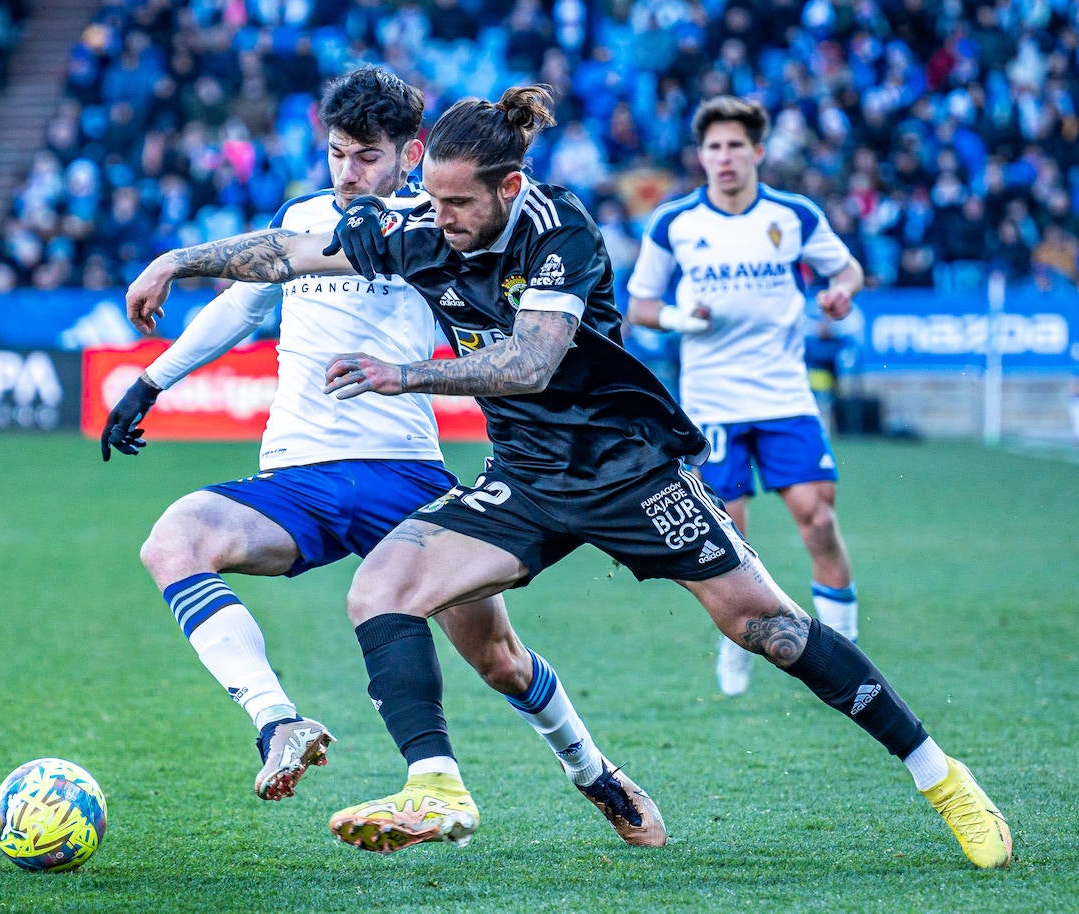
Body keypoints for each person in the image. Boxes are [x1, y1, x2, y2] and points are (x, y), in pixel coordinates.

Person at [109, 84, 1013, 870]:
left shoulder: (561, 227)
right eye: (429, 200)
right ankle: (436, 789)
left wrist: (408, 374)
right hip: (528, 478)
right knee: (381, 590)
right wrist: (174, 262)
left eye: (458, 203)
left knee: (765, 627)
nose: (439, 218)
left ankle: (943, 779)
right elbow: (288, 255)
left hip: (627, 470)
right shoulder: (423, 226)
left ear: (509, 187)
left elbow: (531, 362)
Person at [100, 66, 664, 846]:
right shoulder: (301, 217)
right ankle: (279, 724)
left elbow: (516, 321)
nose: (348, 173)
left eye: (366, 156)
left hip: (405, 473)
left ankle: (591, 770)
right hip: (297, 475)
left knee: (499, 659)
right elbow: (246, 301)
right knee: (174, 539)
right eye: (336, 154)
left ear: (411, 152)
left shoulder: (437, 228)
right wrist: (152, 380)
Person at [626, 95, 866, 698]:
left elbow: (848, 271)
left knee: (818, 521)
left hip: (785, 396)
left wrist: (840, 295)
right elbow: (641, 306)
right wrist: (683, 319)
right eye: (714, 147)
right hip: (711, 405)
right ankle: (739, 647)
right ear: (700, 156)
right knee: (728, 540)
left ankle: (848, 654)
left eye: (736, 145)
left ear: (757, 151)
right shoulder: (675, 222)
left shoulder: (794, 215)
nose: (725, 157)